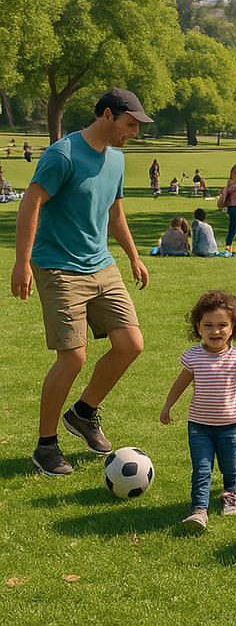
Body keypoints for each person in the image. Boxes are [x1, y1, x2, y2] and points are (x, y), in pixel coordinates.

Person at [10, 88, 151, 476]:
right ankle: (45, 446)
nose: (134, 133)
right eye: (130, 124)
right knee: (73, 356)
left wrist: (134, 256)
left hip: (100, 264)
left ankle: (84, 413)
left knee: (130, 344)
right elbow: (30, 202)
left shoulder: (117, 160)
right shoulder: (63, 154)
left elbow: (115, 212)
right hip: (57, 265)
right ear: (107, 116)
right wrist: (22, 263)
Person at [160, 290, 236, 532]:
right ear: (198, 327)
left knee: (230, 465)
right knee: (202, 468)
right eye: (208, 325)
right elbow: (180, 384)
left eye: (222, 325)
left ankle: (230, 493)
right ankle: (199, 509)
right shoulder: (193, 357)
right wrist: (167, 406)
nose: (215, 331)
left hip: (231, 424)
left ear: (232, 328)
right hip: (199, 426)